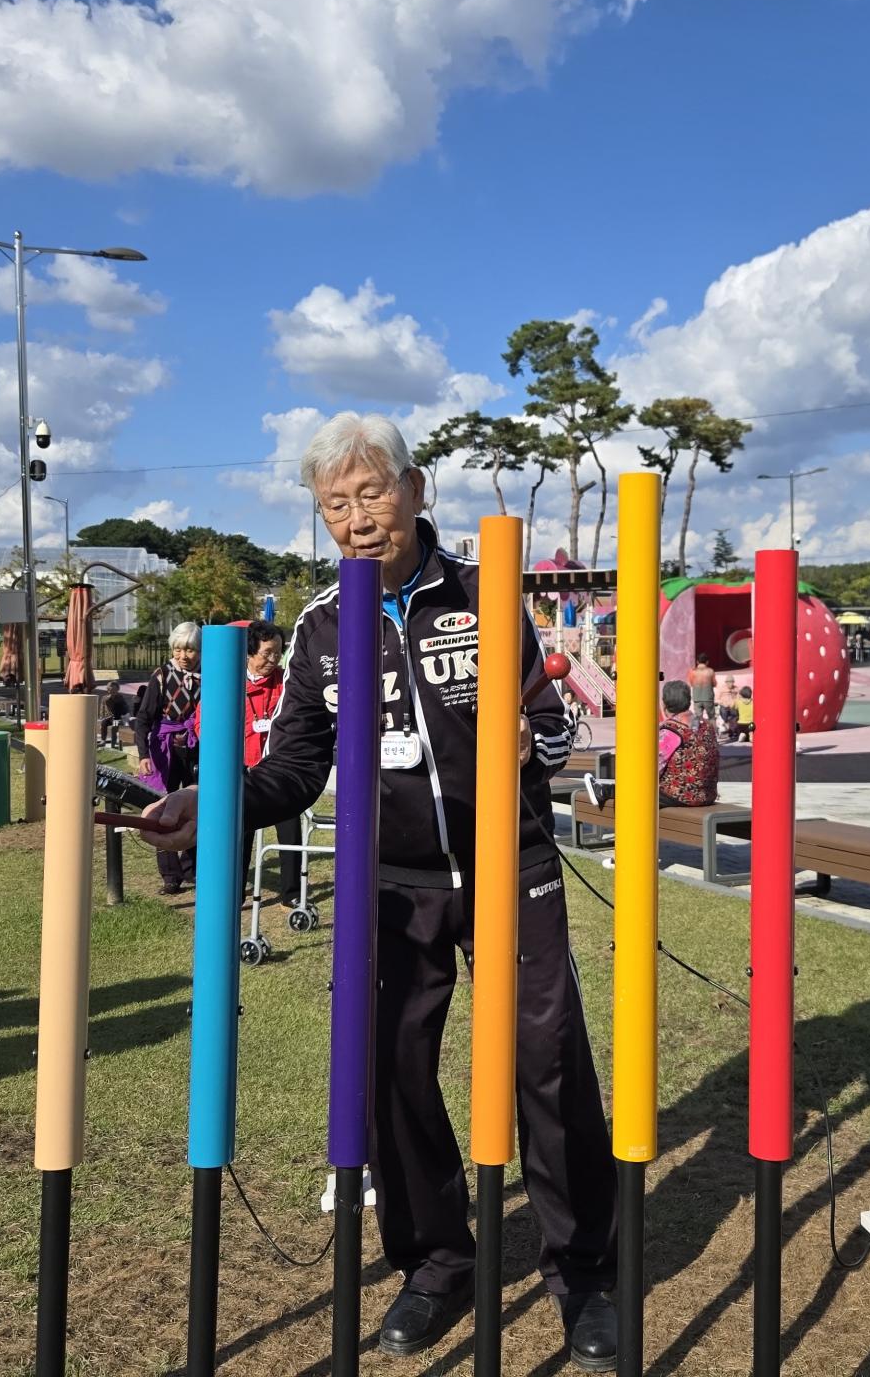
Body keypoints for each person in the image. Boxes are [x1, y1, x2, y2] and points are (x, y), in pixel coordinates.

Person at [142, 414, 618, 1370]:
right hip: (391, 883)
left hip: (512, 865)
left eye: (372, 494)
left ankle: (583, 1272)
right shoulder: (321, 629)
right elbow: (296, 769)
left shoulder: (485, 590)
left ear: (415, 489)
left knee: (547, 1061)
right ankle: (436, 1262)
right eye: (336, 505)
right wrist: (218, 800)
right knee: (388, 1067)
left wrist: (533, 747)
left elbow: (555, 727)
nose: (358, 520)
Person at [134, 623, 202, 895]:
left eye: (190, 650)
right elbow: (143, 718)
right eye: (178, 649)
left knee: (196, 806)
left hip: (197, 747)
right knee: (163, 807)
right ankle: (170, 876)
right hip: (165, 749)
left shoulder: (208, 675)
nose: (184, 655)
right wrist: (143, 755)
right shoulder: (161, 676)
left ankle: (192, 868)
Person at [238, 619, 302, 902]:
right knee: (240, 835)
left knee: (290, 832)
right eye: (267, 653)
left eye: (278, 652)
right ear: (250, 653)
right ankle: (235, 892)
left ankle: (292, 893)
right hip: (244, 770)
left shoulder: (287, 682)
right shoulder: (231, 681)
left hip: (280, 770)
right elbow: (204, 723)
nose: (273, 659)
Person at [657, 680, 719, 808]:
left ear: (664, 703)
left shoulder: (670, 730)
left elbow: (653, 768)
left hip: (679, 796)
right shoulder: (707, 726)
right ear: (689, 701)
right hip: (708, 795)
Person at [688, 653, 716, 729]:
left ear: (697, 661)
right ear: (707, 662)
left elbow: (691, 683)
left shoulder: (692, 672)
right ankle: (714, 734)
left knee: (697, 718)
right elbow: (714, 684)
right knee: (712, 717)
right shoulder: (710, 671)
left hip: (697, 698)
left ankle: (697, 734)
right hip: (708, 698)